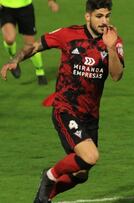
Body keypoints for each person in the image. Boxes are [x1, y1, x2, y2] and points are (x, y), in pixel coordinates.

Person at [1, 0, 124, 202]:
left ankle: (44, 198)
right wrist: (15, 60)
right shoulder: (69, 34)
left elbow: (117, 75)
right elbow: (35, 46)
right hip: (65, 109)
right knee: (91, 156)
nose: (104, 21)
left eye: (107, 16)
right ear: (88, 16)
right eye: (99, 16)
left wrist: (111, 48)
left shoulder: (113, 40)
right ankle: (49, 176)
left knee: (80, 174)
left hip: (91, 115)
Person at [0, 0, 59, 85]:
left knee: (30, 45)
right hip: (5, 8)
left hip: (25, 9)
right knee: (9, 39)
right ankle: (13, 59)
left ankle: (40, 72)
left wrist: (51, 1)